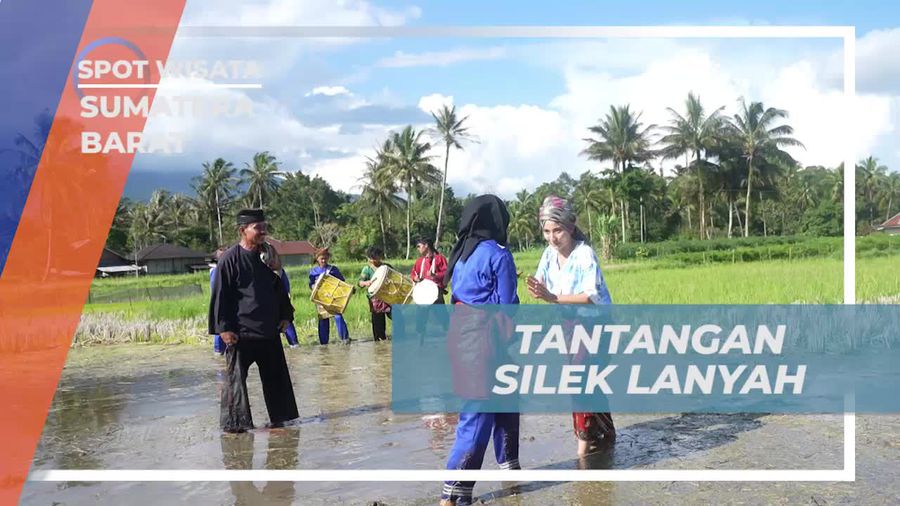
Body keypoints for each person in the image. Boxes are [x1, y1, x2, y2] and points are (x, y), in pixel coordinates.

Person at [440, 195, 520, 506]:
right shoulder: (498, 255)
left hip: (461, 335)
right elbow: (507, 306)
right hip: (487, 338)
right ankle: (453, 493)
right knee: (477, 413)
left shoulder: (461, 254)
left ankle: (510, 469)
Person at [526, 195, 615, 457]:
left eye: (558, 231)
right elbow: (540, 282)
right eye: (547, 231)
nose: (552, 238)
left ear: (571, 226)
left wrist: (551, 297)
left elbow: (589, 297)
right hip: (568, 323)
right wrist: (537, 289)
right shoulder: (549, 254)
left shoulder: (584, 254)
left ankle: (583, 447)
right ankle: (606, 435)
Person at [209, 209, 299, 433]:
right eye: (257, 228)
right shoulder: (229, 259)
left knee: (276, 378)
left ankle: (281, 420)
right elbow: (220, 295)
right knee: (235, 382)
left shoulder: (267, 256)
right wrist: (223, 329)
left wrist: (286, 316)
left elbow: (279, 288)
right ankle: (236, 426)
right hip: (241, 333)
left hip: (269, 330)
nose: (263, 232)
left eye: (264, 227)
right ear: (243, 230)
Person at [260, 242, 300, 348]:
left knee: (285, 316)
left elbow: (276, 265)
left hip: (276, 287)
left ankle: (293, 343)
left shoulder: (271, 251)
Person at [308, 247, 350, 345]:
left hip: (333, 298)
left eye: (325, 258)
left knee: (338, 317)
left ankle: (345, 339)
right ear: (317, 259)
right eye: (321, 258)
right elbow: (310, 284)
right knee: (323, 319)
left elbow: (342, 282)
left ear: (328, 258)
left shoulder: (333, 269)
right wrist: (313, 286)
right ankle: (324, 343)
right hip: (321, 299)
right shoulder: (313, 272)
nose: (323, 260)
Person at [358, 246, 392, 341]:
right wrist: (366, 283)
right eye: (372, 258)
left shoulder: (386, 267)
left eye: (376, 256)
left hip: (388, 297)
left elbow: (396, 277)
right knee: (378, 323)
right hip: (375, 299)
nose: (373, 260)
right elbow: (360, 282)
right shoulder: (367, 269)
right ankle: (380, 343)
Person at [411, 237, 448, 303]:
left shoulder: (439, 258)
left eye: (419, 246)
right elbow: (413, 273)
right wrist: (415, 278)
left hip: (436, 294)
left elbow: (446, 273)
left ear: (426, 245)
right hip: (422, 294)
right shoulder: (419, 261)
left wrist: (435, 275)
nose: (418, 249)